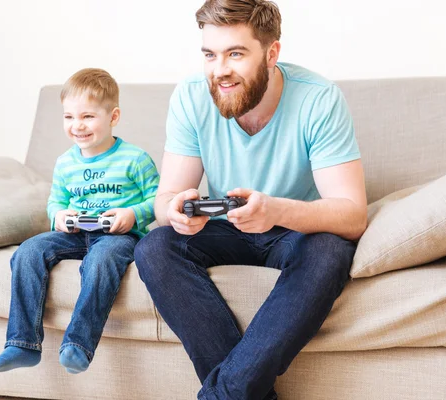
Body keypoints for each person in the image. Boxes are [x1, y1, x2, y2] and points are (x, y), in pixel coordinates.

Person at [134, 0, 367, 398]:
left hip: (294, 230)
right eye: (210, 54)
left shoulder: (319, 99)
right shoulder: (192, 97)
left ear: (272, 53)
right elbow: (166, 198)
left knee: (330, 249)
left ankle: (222, 394)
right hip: (228, 228)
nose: (219, 70)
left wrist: (275, 209)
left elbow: (352, 215)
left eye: (236, 54)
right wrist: (174, 210)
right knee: (156, 246)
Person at [0, 68, 160, 374]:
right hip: (76, 233)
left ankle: (78, 345)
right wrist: (59, 215)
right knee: (28, 251)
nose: (77, 125)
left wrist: (132, 214)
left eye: (87, 117)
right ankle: (21, 343)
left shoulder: (135, 159)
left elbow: (160, 200)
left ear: (113, 116)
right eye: (69, 117)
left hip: (117, 236)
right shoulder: (65, 162)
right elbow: (56, 200)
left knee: (101, 260)